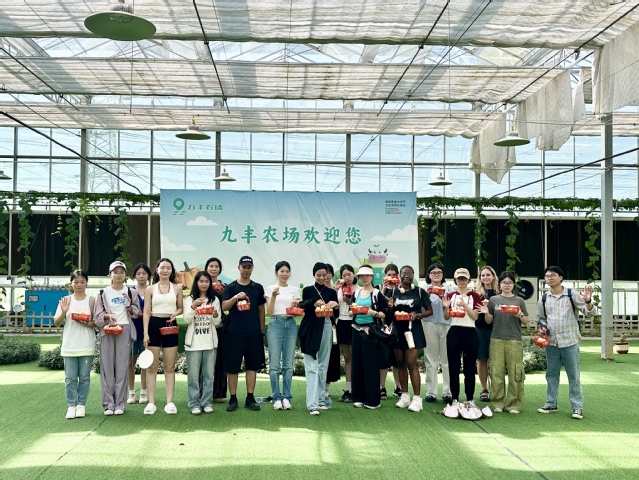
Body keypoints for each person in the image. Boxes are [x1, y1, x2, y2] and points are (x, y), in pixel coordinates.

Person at [536, 266, 594, 420]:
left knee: (574, 376)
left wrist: (588, 301)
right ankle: (551, 403)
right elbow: (541, 318)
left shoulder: (571, 294)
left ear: (561, 277)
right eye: (547, 276)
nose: (550, 278)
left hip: (570, 341)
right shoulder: (543, 298)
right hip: (551, 343)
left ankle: (577, 407)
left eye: (553, 275)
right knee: (551, 374)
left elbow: (590, 313)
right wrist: (542, 328)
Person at [94, 261, 142, 416]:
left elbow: (137, 312)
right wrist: (107, 316)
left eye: (122, 272)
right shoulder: (103, 293)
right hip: (108, 330)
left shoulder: (131, 292)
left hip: (124, 329)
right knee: (107, 368)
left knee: (122, 367)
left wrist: (129, 306)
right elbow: (97, 317)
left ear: (125, 275)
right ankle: (108, 404)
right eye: (115, 272)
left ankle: (120, 403)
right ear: (110, 275)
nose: (118, 275)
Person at [221, 255, 267, 412]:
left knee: (252, 367)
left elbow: (261, 310)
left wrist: (261, 330)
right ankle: (233, 398)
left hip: (253, 333)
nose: (246, 270)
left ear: (252, 268)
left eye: (249, 267)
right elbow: (224, 307)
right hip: (234, 333)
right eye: (244, 267)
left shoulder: (257, 287)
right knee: (232, 368)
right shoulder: (230, 287)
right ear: (239, 268)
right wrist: (236, 297)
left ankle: (250, 397)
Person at [481, 271, 528, 414]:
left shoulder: (519, 301)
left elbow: (526, 321)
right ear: (499, 284)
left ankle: (514, 404)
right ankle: (498, 402)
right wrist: (486, 312)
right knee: (496, 372)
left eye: (509, 282)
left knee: (515, 373)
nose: (506, 285)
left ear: (513, 284)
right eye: (504, 283)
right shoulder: (494, 300)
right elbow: (488, 321)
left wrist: (519, 314)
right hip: (496, 339)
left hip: (514, 340)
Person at [142, 258, 184, 415]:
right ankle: (151, 402)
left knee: (169, 366)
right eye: (162, 267)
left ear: (172, 271)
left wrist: (176, 313)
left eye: (168, 268)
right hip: (154, 324)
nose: (165, 270)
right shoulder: (150, 289)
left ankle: (170, 402)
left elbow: (181, 307)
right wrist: (145, 333)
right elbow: (146, 312)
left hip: (170, 325)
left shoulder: (177, 288)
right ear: (157, 270)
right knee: (152, 367)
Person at [54, 269, 97, 419]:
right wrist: (63, 312)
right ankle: (71, 405)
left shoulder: (92, 301)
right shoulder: (65, 300)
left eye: (82, 281)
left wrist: (87, 323)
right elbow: (57, 323)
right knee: (70, 378)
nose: (79, 284)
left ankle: (81, 405)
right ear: (71, 283)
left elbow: (97, 322)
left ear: (86, 283)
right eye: (76, 282)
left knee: (84, 377)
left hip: (87, 344)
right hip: (69, 345)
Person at [298, 262, 339, 415]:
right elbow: (303, 305)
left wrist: (335, 305)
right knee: (312, 366)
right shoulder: (308, 290)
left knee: (323, 365)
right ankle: (312, 404)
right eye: (318, 275)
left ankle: (321, 400)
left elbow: (335, 314)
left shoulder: (331, 292)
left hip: (326, 327)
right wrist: (313, 302)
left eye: (324, 275)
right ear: (314, 275)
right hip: (310, 328)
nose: (322, 278)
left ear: (328, 275)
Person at [392, 265, 432, 412]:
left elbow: (430, 311)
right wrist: (389, 307)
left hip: (413, 330)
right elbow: (389, 311)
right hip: (398, 330)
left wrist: (418, 315)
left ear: (413, 276)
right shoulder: (394, 291)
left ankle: (417, 398)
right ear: (400, 275)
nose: (406, 276)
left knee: (411, 363)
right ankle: (404, 396)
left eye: (409, 274)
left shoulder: (419, 292)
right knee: (400, 363)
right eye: (404, 274)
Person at [350, 265, 389, 409]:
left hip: (371, 332)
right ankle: (358, 397)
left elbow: (384, 314)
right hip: (356, 330)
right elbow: (351, 311)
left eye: (367, 275)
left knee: (371, 365)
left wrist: (372, 312)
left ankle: (373, 400)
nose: (364, 278)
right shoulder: (356, 292)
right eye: (361, 276)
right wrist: (353, 312)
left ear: (372, 277)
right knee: (357, 364)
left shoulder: (377, 294)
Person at [442, 268, 482, 410]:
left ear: (469, 280)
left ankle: (470, 398)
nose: (461, 281)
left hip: (470, 331)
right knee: (453, 367)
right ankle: (454, 398)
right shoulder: (450, 295)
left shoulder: (474, 296)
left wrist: (465, 305)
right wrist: (446, 307)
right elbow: (446, 317)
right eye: (459, 279)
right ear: (455, 280)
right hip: (454, 331)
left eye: (464, 278)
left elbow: (475, 317)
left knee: (469, 368)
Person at [264, 261, 300, 410]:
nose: (285, 274)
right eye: (282, 271)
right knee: (274, 365)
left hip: (290, 323)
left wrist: (295, 306)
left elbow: (295, 310)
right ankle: (276, 397)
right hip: (275, 324)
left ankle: (286, 396)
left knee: (288, 365)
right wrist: (273, 295)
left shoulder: (294, 290)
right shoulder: (270, 288)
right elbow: (269, 311)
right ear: (276, 273)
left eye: (287, 271)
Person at [183, 271, 220, 415]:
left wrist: (215, 314)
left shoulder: (214, 299)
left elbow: (217, 322)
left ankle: (206, 402)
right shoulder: (189, 299)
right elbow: (186, 319)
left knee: (209, 375)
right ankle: (194, 404)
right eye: (201, 281)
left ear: (210, 283)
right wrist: (193, 307)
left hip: (210, 344)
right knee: (193, 377)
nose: (204, 284)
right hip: (193, 344)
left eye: (206, 281)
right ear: (196, 283)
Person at [423, 262, 452, 404]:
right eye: (433, 272)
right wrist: (426, 297)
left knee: (447, 360)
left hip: (447, 325)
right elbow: (419, 308)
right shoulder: (424, 289)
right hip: (429, 324)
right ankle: (431, 392)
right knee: (431, 360)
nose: (436, 275)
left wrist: (444, 300)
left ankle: (448, 392)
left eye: (439, 272)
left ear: (443, 274)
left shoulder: (449, 289)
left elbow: (454, 307)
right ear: (429, 275)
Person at [205, 257, 228, 404]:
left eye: (216, 266)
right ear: (206, 268)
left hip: (221, 327)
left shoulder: (225, 287)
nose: (214, 269)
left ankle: (219, 393)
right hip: (204, 327)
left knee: (220, 360)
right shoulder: (202, 284)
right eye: (211, 266)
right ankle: (203, 392)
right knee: (204, 361)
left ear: (220, 269)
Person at [128, 263, 151, 405]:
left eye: (144, 273)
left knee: (145, 362)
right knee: (130, 362)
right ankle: (131, 393)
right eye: (138, 274)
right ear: (134, 276)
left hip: (147, 331)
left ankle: (143, 392)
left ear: (148, 275)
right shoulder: (129, 291)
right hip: (132, 330)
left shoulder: (152, 290)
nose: (141, 276)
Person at [475, 266, 499, 402]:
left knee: (495, 360)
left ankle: (496, 389)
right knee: (482, 359)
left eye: (488, 275)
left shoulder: (499, 293)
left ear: (493, 276)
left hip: (495, 329)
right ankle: (484, 389)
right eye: (482, 275)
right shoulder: (476, 294)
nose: (485, 277)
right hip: (479, 328)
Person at [378, 264, 401, 400]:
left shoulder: (401, 289)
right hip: (383, 327)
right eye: (389, 275)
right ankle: (382, 387)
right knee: (384, 358)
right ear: (384, 276)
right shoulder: (379, 289)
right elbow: (377, 304)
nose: (391, 277)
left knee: (397, 359)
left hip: (399, 327)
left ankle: (398, 386)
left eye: (394, 275)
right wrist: (384, 289)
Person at [336, 264, 356, 403]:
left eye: (349, 274)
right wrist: (336, 288)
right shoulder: (338, 289)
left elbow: (359, 307)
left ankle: (357, 389)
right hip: (342, 323)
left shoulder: (359, 289)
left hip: (355, 323)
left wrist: (350, 302)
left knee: (356, 357)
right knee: (347, 358)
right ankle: (348, 390)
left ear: (354, 275)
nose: (347, 277)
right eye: (344, 275)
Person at [323, 262, 341, 406]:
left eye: (329, 273)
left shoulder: (335, 291)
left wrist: (336, 305)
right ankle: (317, 387)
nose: (326, 276)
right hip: (317, 328)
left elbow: (337, 313)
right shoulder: (314, 290)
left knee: (330, 358)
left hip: (331, 326)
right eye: (324, 273)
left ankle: (326, 389)